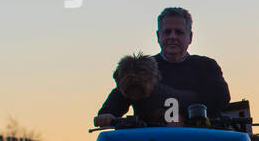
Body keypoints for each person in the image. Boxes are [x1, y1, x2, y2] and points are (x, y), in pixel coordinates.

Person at [94, 7, 230, 126]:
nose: (172, 36)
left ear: (190, 37)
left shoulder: (206, 66)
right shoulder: (141, 67)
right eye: (167, 32)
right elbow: (121, 94)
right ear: (158, 36)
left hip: (198, 140)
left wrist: (180, 114)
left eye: (179, 32)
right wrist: (107, 113)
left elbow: (220, 99)